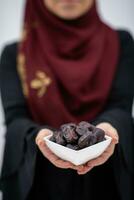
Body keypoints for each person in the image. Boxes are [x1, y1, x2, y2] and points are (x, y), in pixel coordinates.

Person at [0, 0, 134, 199]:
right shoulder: (15, 54)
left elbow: (120, 106)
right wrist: (43, 138)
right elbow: (16, 118)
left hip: (107, 179)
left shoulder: (120, 43)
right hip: (38, 180)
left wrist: (106, 130)